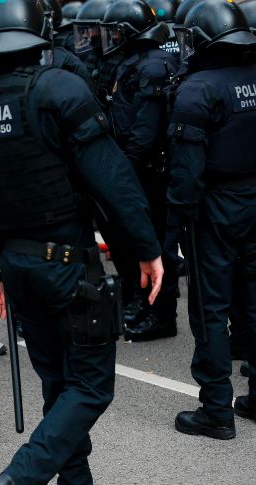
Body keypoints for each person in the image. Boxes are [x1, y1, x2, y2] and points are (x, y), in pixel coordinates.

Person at [0, 0, 163, 482]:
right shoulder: (59, 88)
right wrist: (147, 247)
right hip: (69, 269)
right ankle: (19, 477)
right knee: (90, 387)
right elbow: (113, 179)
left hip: (17, 268)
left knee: (59, 385)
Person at [168, 0, 256, 441]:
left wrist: (175, 222)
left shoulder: (197, 89)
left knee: (210, 308)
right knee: (254, 301)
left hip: (215, 207)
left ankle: (217, 410)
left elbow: (186, 173)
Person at [98, 0, 179, 342]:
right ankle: (147, 305)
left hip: (149, 171)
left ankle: (161, 316)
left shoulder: (153, 66)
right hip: (137, 168)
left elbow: (145, 132)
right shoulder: (135, 63)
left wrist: (124, 171)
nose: (112, 39)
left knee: (157, 242)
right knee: (138, 241)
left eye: (116, 32)